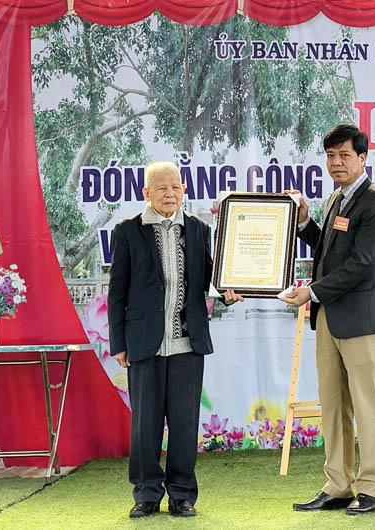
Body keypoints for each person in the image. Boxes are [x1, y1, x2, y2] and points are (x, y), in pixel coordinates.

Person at [108, 161, 242, 518]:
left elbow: (209, 276)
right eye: (162, 188)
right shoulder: (128, 231)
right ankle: (146, 494)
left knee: (184, 424)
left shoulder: (197, 229)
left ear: (184, 191)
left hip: (187, 343)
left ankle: (182, 494)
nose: (170, 194)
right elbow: (117, 292)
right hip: (143, 343)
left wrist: (227, 291)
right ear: (146, 193)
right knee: (145, 425)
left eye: (176, 187)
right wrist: (118, 344)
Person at [282, 125, 375, 516]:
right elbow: (329, 252)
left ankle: (371, 489)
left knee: (367, 406)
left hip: (362, 319)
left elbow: (362, 265)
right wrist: (302, 223)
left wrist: (311, 292)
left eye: (344, 155)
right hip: (330, 315)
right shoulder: (336, 199)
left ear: (363, 158)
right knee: (333, 404)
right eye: (331, 156)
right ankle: (338, 485)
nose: (336, 163)